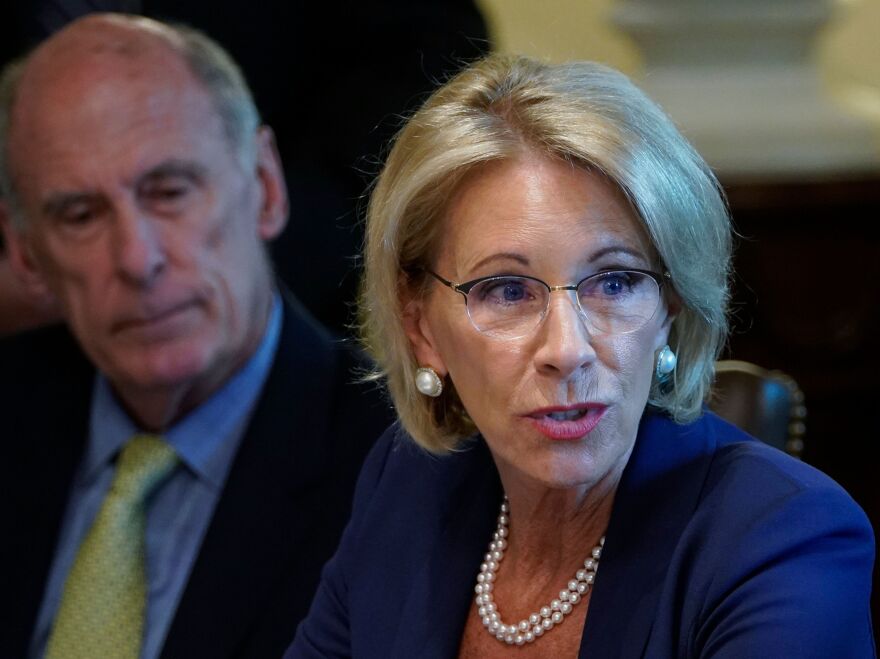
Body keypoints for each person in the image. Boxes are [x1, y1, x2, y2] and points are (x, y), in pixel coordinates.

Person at [287, 54, 876, 657]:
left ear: (671, 303)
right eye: (507, 291)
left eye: (615, 282)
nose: (567, 351)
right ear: (421, 330)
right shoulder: (408, 485)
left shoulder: (783, 539)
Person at [0, 14, 391, 659]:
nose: (136, 257)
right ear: (25, 253)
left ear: (265, 188)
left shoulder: (402, 473)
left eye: (169, 192)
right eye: (79, 214)